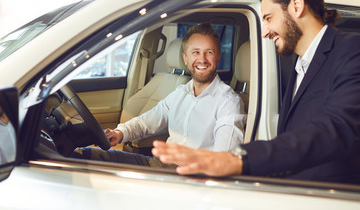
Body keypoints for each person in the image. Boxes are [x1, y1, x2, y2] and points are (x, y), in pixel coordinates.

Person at [152, 0, 360, 184]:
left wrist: (237, 158)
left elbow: (336, 129)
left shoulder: (351, 50)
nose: (264, 32)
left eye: (269, 18)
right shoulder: (299, 65)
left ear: (296, 6)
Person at [72, 22, 246, 168]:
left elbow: (224, 161)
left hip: (191, 176)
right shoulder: (180, 93)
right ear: (185, 58)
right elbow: (147, 122)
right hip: (161, 166)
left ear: (218, 57)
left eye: (209, 52)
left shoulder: (228, 102)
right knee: (86, 156)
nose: (202, 59)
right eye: (196, 52)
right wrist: (119, 133)